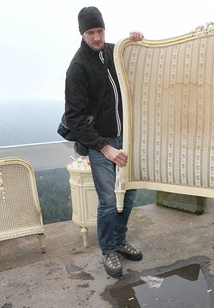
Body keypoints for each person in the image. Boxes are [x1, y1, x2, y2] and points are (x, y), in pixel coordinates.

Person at [64, 6, 144, 278]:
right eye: (90, 33)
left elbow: (137, 62)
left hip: (127, 137)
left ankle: (120, 240)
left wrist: (137, 41)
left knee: (130, 193)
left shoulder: (114, 51)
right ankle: (108, 250)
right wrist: (106, 148)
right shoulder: (77, 68)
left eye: (99, 31)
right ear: (82, 34)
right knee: (108, 200)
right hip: (101, 142)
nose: (97, 38)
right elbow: (75, 119)